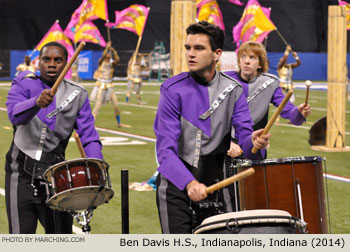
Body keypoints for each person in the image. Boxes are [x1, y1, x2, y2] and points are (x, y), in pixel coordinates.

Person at [153, 21, 271, 234]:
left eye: (199, 48)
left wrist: (255, 143)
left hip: (220, 184)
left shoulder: (233, 90)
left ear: (217, 54)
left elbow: (246, 140)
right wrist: (189, 183)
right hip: (176, 187)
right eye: (188, 48)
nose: (191, 53)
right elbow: (165, 151)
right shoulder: (171, 90)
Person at [5, 41, 103, 234]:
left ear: (67, 64)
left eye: (58, 60)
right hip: (20, 173)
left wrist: (96, 166)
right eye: (46, 59)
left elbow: (89, 137)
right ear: (38, 62)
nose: (51, 64)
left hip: (56, 178)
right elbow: (14, 115)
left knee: (61, 238)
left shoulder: (78, 94)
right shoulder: (24, 82)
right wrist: (36, 102)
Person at [225, 41, 311, 157]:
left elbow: (288, 110)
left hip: (255, 145)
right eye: (243, 57)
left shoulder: (269, 83)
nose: (246, 61)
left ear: (260, 63)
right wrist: (226, 143)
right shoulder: (225, 80)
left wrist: (299, 112)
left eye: (252, 57)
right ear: (239, 61)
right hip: (227, 146)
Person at [90, 41, 122, 127]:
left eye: (109, 53)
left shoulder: (112, 63)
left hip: (110, 85)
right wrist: (107, 47)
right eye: (107, 54)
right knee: (98, 105)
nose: (108, 54)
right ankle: (91, 122)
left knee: (116, 104)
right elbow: (103, 55)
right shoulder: (101, 61)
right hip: (101, 85)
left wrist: (114, 51)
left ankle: (119, 122)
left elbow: (118, 60)